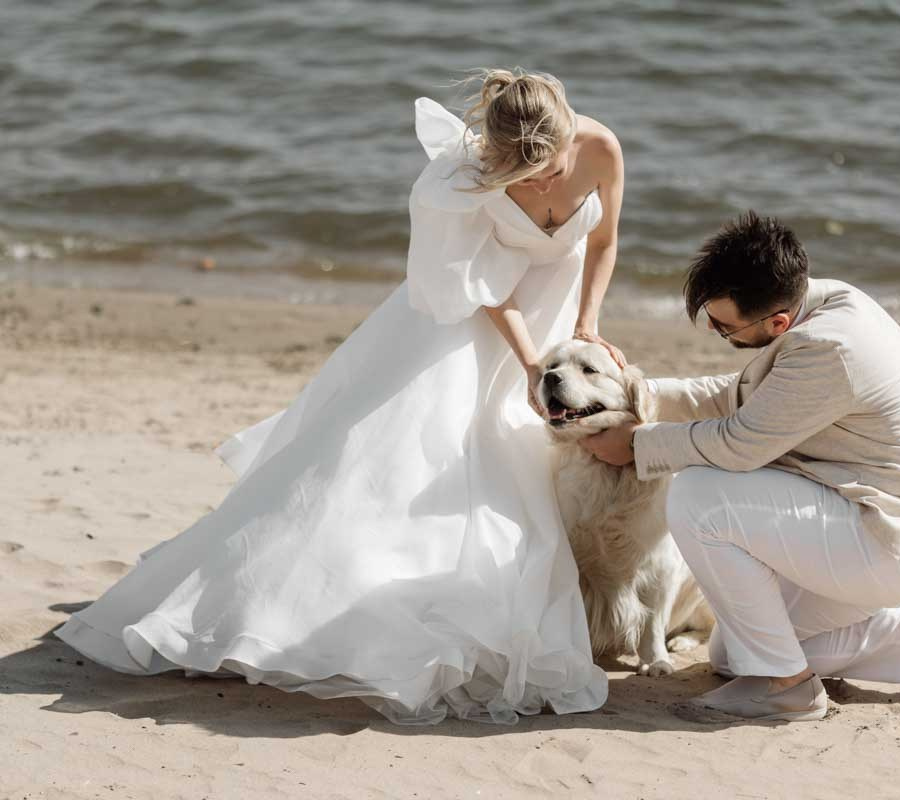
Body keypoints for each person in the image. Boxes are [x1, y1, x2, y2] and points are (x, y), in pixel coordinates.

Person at [54, 68, 628, 725]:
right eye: (522, 177)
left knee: (535, 462)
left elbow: (604, 240)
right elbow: (480, 283)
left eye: (550, 169)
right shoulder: (459, 178)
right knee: (420, 462)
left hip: (557, 309)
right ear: (496, 159)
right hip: (475, 317)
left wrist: (584, 328)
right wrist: (532, 363)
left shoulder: (602, 149)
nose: (543, 186)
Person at [582, 211, 900, 723]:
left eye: (725, 327)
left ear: (776, 322)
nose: (715, 331)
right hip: (871, 521)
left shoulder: (829, 348)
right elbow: (736, 396)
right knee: (734, 654)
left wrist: (637, 446)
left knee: (699, 495)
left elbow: (740, 443)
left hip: (888, 536)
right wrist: (632, 391)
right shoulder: (816, 303)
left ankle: (787, 689)